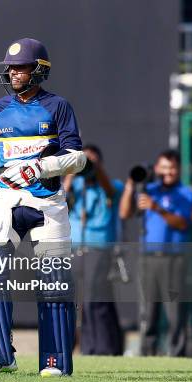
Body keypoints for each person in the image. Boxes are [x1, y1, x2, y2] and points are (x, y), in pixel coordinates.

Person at [0, 38, 86, 377]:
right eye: (10, 68)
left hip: (47, 202)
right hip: (6, 200)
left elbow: (78, 158)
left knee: (54, 279)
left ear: (39, 70)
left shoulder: (58, 106)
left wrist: (43, 167)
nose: (12, 72)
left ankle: (54, 361)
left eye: (20, 67)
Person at [119, 150, 192, 356]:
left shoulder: (186, 194)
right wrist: (130, 185)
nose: (167, 172)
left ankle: (177, 355)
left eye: (172, 168)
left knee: (175, 312)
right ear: (157, 169)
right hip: (147, 259)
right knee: (148, 312)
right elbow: (125, 213)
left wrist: (157, 208)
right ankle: (147, 355)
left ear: (178, 170)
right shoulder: (149, 189)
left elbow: (182, 223)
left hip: (174, 260)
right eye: (164, 167)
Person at [64, 144, 124, 355]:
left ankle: (97, 348)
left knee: (93, 299)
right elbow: (60, 199)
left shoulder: (109, 185)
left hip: (98, 248)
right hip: (73, 248)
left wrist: (96, 168)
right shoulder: (76, 185)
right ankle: (71, 346)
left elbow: (111, 190)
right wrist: (72, 171)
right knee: (72, 300)